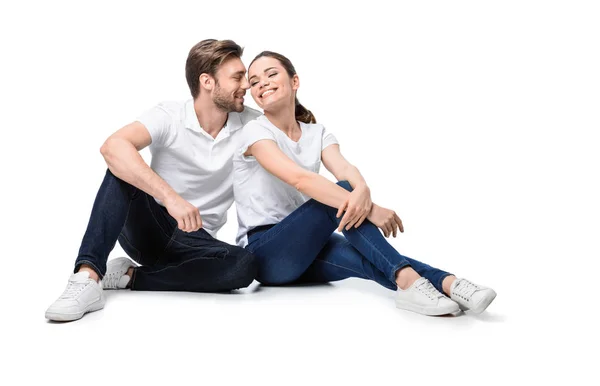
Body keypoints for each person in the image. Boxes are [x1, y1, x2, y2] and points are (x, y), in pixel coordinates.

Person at [233, 51, 497, 316]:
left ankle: (448, 285)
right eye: (254, 82)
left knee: (367, 256)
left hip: (308, 246)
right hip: (267, 252)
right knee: (340, 195)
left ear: (295, 81)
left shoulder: (317, 132)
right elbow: (300, 179)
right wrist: (369, 208)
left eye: (271, 74)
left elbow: (346, 169)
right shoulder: (255, 131)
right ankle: (413, 283)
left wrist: (364, 191)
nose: (262, 84)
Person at [45, 39, 261, 322]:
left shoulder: (252, 125)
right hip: (150, 227)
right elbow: (112, 146)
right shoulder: (169, 115)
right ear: (207, 81)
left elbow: (292, 133)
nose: (246, 85)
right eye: (237, 77)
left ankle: (130, 277)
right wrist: (172, 199)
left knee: (243, 265)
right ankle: (87, 276)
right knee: (120, 168)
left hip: (198, 242)